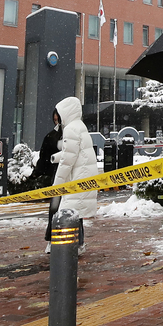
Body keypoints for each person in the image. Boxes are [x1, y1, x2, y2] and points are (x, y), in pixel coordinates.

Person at [50, 97, 98, 250]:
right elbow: (73, 153)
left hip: (76, 178)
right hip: (84, 176)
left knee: (68, 214)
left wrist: (57, 184)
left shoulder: (71, 129)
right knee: (76, 214)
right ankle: (78, 243)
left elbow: (67, 161)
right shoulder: (80, 126)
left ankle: (72, 246)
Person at [34, 109, 64, 252]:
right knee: (55, 208)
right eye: (55, 118)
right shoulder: (51, 136)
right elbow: (44, 157)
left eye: (58, 118)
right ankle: (52, 239)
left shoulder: (74, 133)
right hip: (57, 177)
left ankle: (78, 241)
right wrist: (35, 175)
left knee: (74, 210)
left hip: (72, 178)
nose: (56, 120)